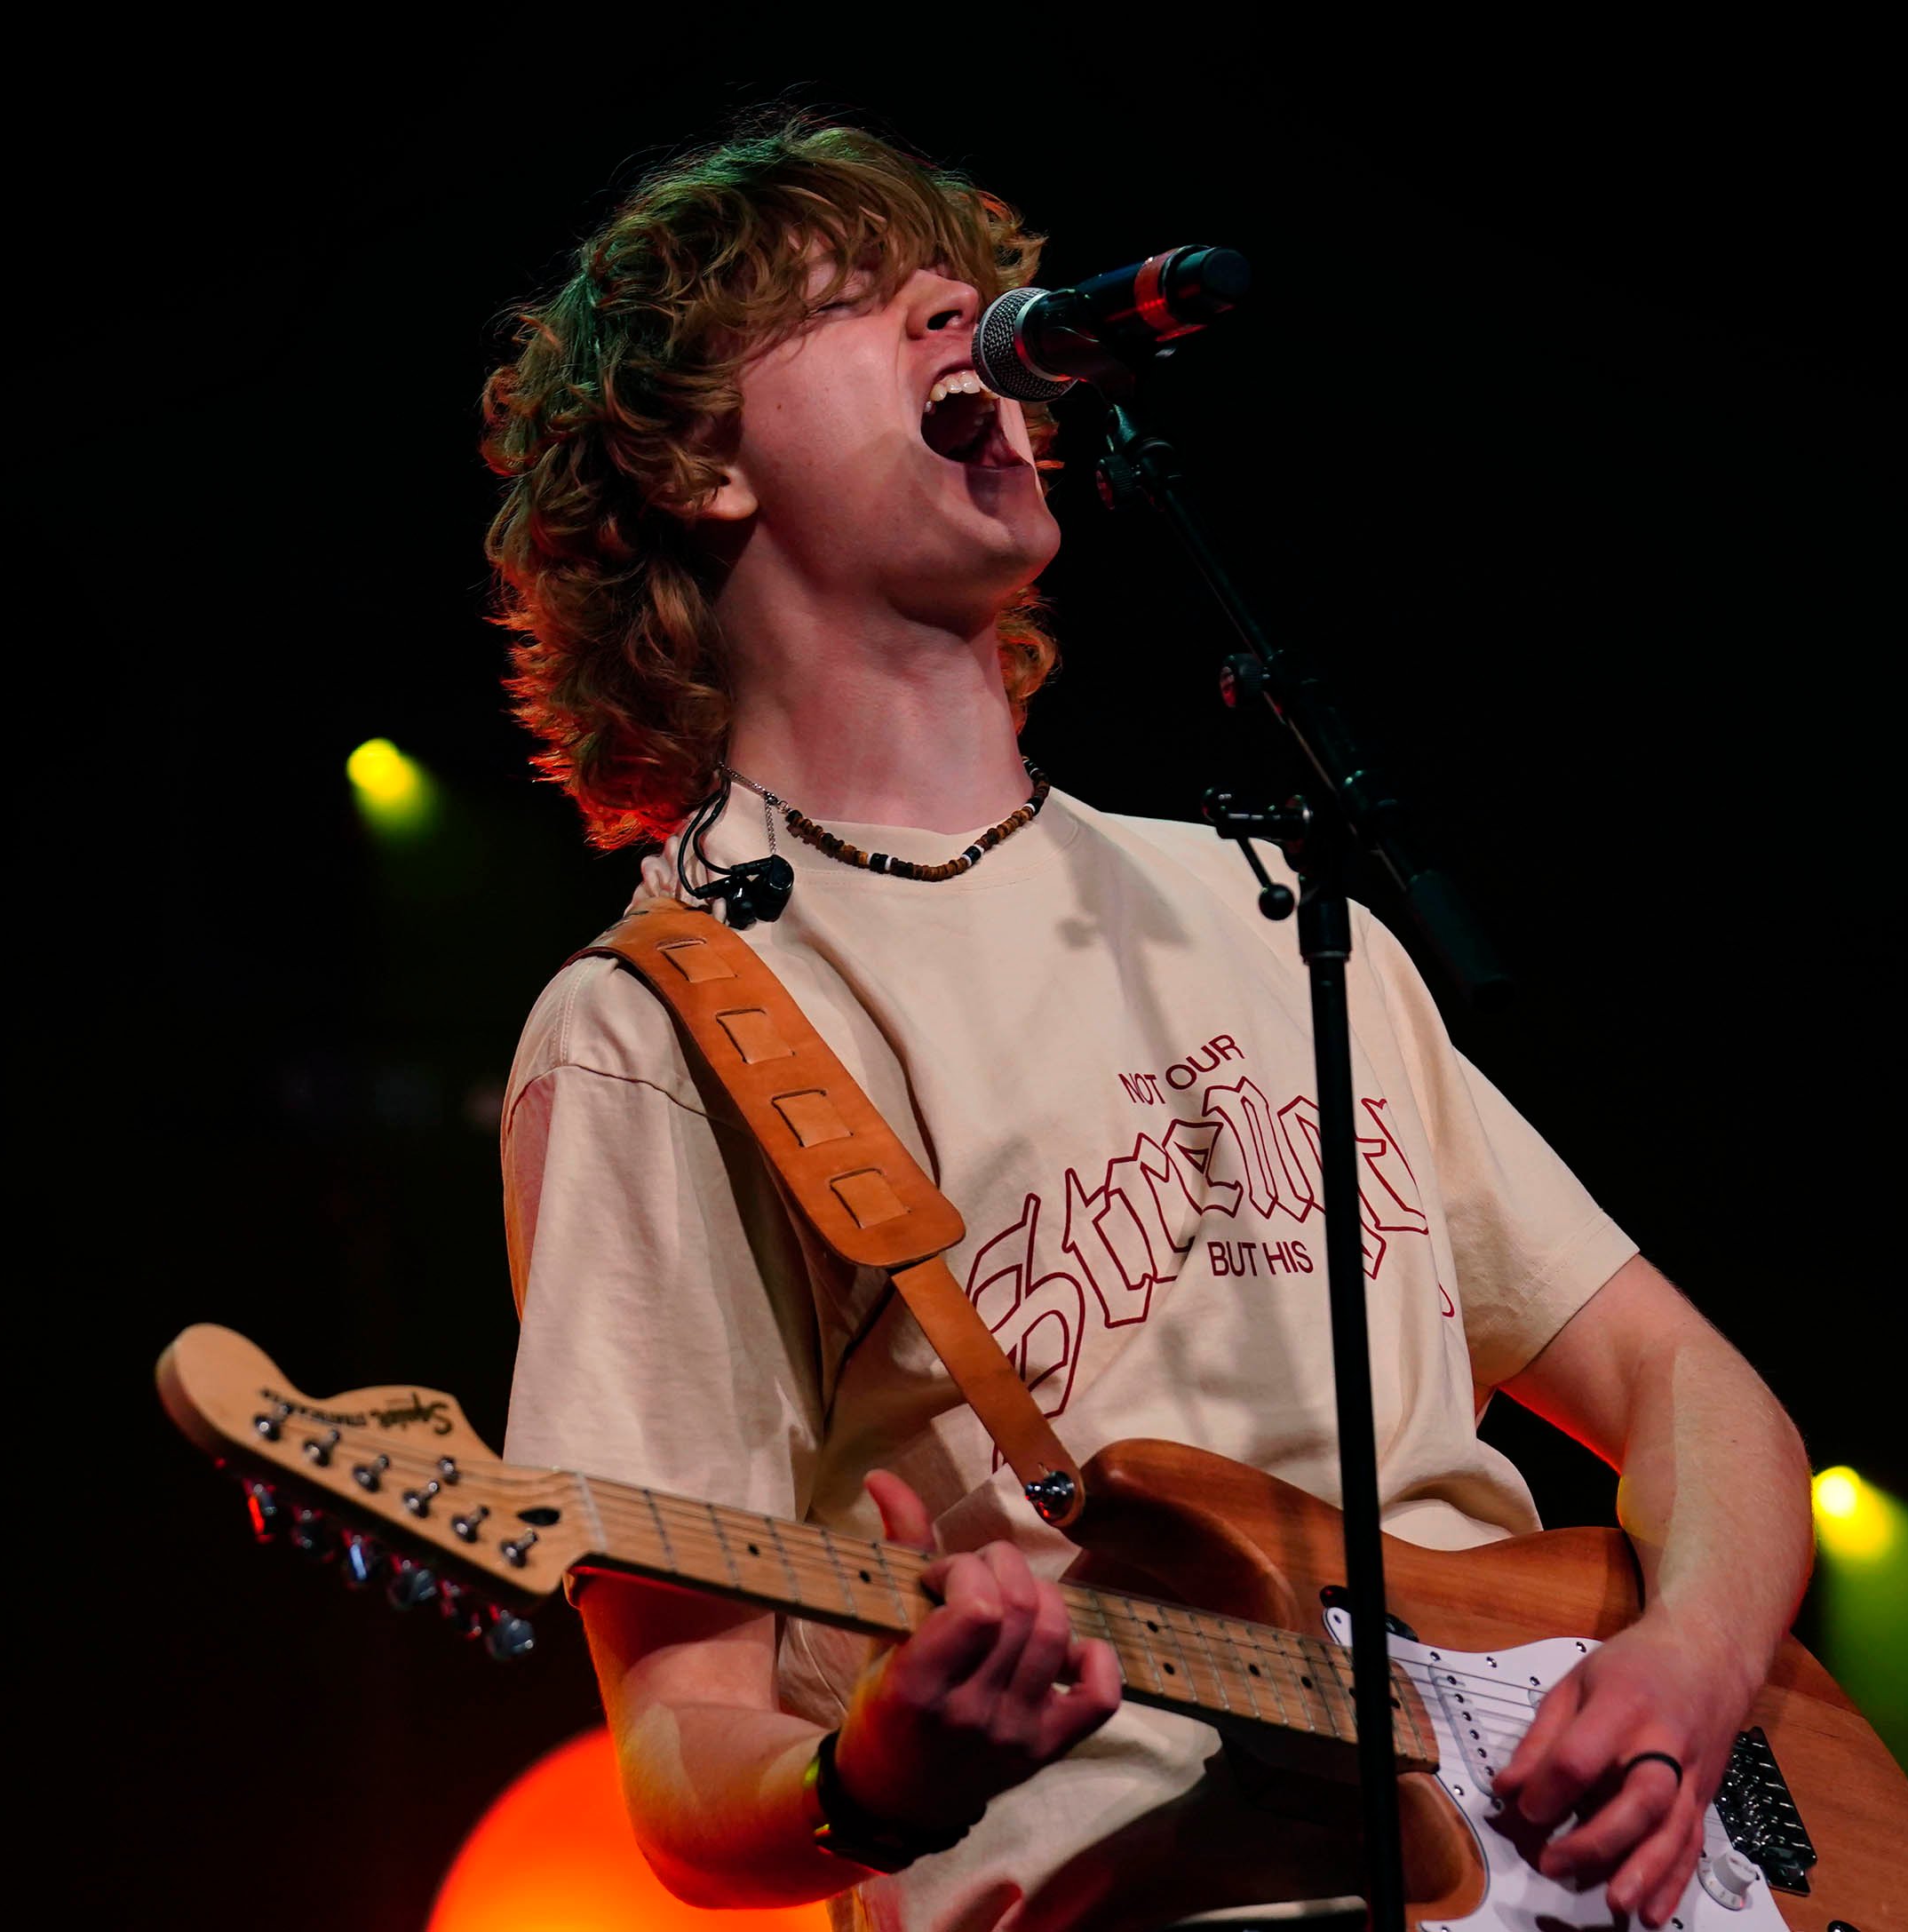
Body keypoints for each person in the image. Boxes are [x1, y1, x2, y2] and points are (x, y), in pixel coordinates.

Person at [481, 114, 1813, 1932]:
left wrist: (1690, 1667)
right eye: (862, 299)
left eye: (962, 289)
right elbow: (681, 1756)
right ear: (701, 460)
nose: (959, 315)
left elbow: (1694, 1387)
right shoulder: (673, 1022)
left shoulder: (1266, 900)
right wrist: (876, 1772)